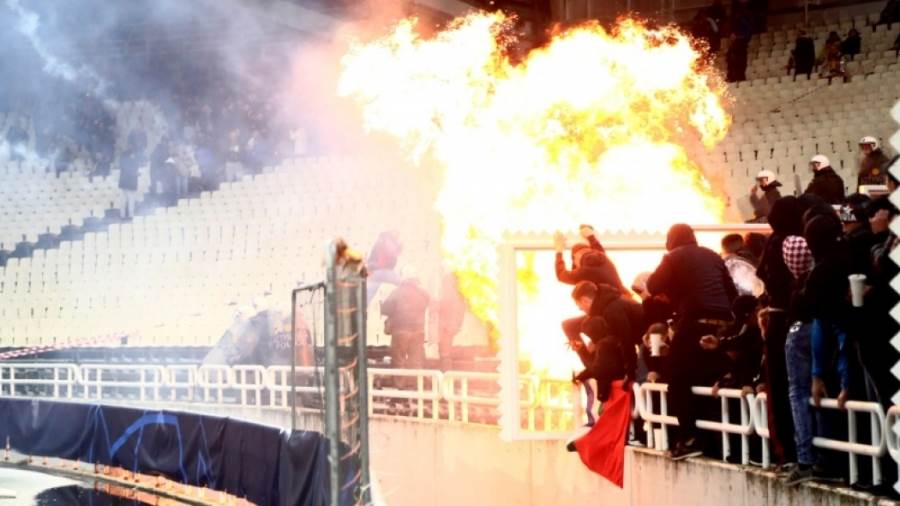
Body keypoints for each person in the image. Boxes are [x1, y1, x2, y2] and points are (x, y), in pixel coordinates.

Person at [644, 224, 737, 459]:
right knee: (706, 374)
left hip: (694, 319)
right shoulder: (713, 255)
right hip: (723, 320)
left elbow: (653, 285)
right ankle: (715, 441)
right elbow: (732, 291)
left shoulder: (672, 257)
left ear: (671, 241)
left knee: (675, 375)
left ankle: (689, 437)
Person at [569, 281, 645, 380]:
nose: (580, 309)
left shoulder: (612, 310)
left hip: (649, 345)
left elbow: (626, 342)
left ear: (584, 300)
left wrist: (630, 373)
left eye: (579, 305)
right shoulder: (611, 303)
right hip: (646, 343)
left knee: (640, 380)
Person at [554, 225, 627, 295]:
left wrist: (559, 250)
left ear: (576, 257)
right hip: (626, 297)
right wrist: (590, 236)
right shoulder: (603, 258)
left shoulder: (583, 273)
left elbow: (561, 275)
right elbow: (596, 246)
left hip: (614, 302)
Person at [381, 276, 431, 370]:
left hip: (401, 330)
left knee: (398, 361)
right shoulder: (423, 293)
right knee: (416, 361)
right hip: (419, 331)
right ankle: (416, 378)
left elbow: (385, 309)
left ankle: (399, 379)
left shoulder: (397, 292)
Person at [118, 146, 141, 220]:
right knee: (131, 200)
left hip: (123, 183)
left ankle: (122, 215)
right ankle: (131, 216)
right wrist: (136, 173)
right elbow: (130, 171)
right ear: (131, 154)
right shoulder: (131, 161)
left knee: (123, 200)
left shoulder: (123, 160)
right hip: (130, 184)